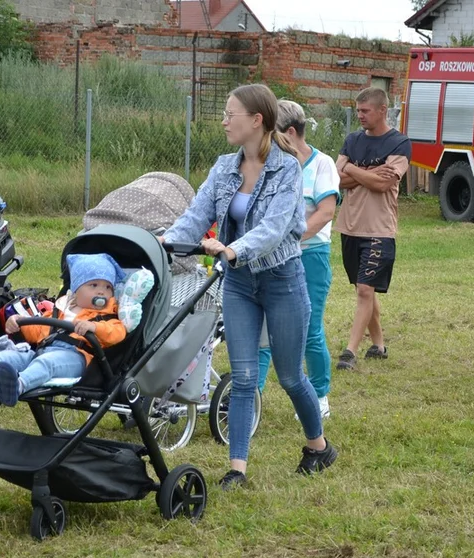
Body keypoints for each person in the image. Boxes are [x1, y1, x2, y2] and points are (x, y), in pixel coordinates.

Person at [161, 84, 337, 488]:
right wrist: (164, 242)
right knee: (242, 378)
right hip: (239, 283)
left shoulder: (288, 169)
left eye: (230, 113)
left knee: (291, 376)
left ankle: (319, 447)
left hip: (282, 281)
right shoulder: (224, 167)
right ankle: (236, 470)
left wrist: (233, 248)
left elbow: (276, 229)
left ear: (257, 120)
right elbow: (195, 214)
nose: (224, 121)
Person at [0, 253, 129, 406]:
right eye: (93, 285)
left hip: (77, 358)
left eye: (108, 287)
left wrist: (94, 327)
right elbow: (38, 330)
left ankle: (17, 386)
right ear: (76, 290)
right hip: (43, 349)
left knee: (46, 362)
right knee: (10, 356)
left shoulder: (108, 317)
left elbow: (116, 334)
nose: (101, 291)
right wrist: (20, 321)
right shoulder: (60, 310)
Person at [257, 100, 340, 418]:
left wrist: (288, 239)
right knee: (263, 327)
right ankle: (253, 396)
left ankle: (319, 397)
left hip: (310, 257)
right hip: (270, 258)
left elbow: (325, 213)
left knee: (308, 329)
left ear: (290, 133)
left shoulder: (322, 165)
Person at [334, 87, 411, 370]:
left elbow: (383, 184)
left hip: (380, 229)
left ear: (382, 110)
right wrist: (364, 173)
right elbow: (336, 179)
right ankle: (378, 346)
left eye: (365, 111)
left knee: (366, 289)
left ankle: (350, 352)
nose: (360, 116)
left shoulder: (399, 143)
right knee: (363, 290)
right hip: (350, 226)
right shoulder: (352, 139)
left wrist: (352, 169)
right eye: (358, 111)